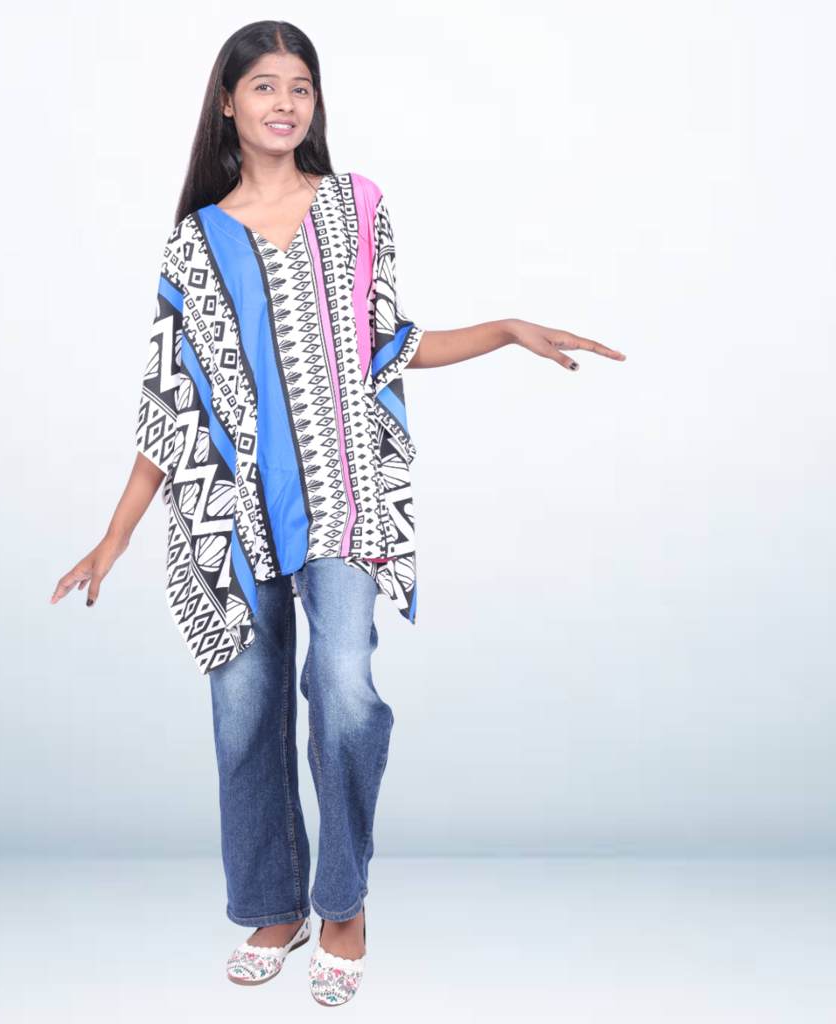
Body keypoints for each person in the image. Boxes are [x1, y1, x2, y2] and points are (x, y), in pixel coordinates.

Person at [51, 20, 626, 1007]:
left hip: (344, 502)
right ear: (227, 102)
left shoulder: (356, 207)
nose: (284, 103)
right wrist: (115, 534)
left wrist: (503, 329)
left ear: (315, 104)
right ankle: (273, 906)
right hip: (233, 515)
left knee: (345, 690)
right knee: (246, 715)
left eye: (300, 87)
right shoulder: (197, 241)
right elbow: (175, 404)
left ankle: (343, 901)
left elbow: (386, 343)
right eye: (264, 86)